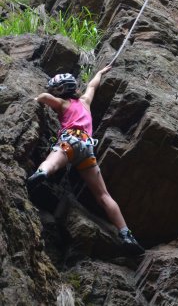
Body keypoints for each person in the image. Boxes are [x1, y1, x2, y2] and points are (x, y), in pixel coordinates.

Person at [27, 67, 144, 255]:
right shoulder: (85, 102)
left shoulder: (62, 104)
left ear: (59, 90)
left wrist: (37, 99)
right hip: (88, 150)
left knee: (54, 161)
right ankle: (126, 234)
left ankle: (41, 174)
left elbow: (46, 98)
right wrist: (101, 72)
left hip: (70, 142)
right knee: (103, 195)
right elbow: (92, 85)